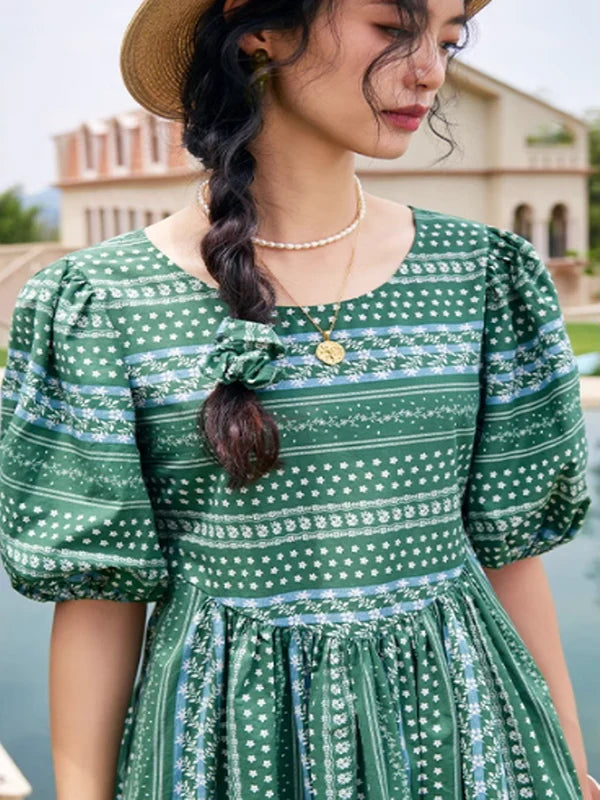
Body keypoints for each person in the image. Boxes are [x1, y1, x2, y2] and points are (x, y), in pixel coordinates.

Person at [0, 0, 596, 797]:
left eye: (448, 42)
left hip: (472, 741)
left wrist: (567, 760)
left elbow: (509, 559)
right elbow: (99, 602)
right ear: (260, 29)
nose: (430, 70)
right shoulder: (102, 302)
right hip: (225, 753)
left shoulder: (484, 276)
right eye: (394, 29)